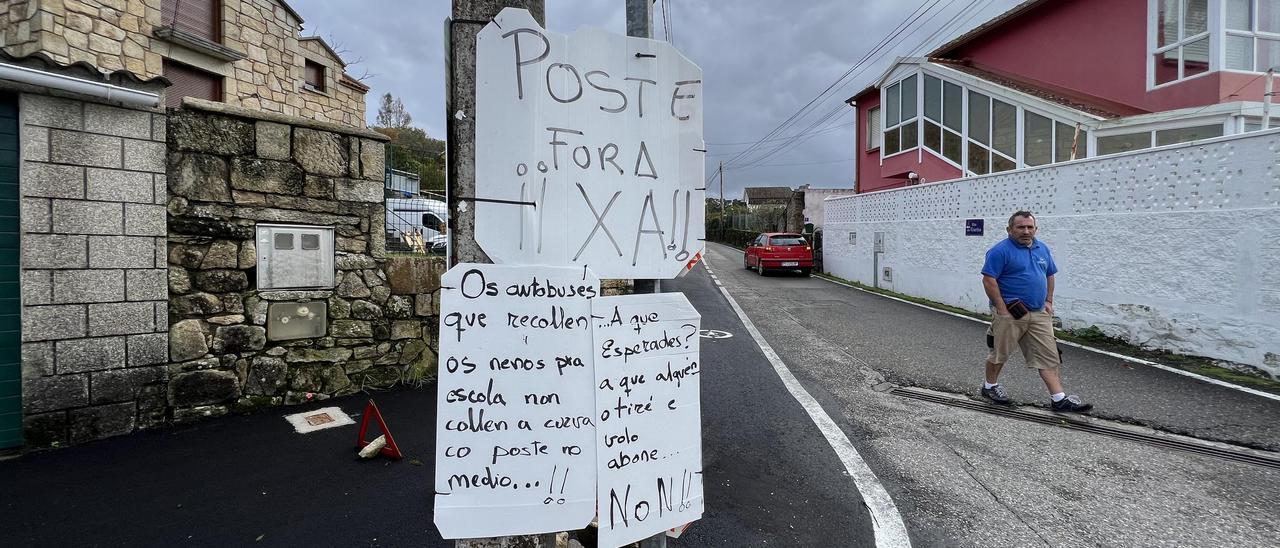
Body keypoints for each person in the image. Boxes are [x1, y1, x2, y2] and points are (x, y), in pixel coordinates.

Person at [979, 211, 1092, 412]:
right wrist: (1002, 308)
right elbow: (989, 280)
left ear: (1035, 229)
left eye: (1030, 227)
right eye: (1020, 227)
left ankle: (1059, 399)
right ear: (1009, 229)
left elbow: (1049, 274)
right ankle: (990, 387)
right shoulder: (1000, 251)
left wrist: (1049, 300)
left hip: (1038, 313)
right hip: (1011, 313)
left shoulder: (1042, 249)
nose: (1026, 231)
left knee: (1049, 355)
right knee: (1000, 353)